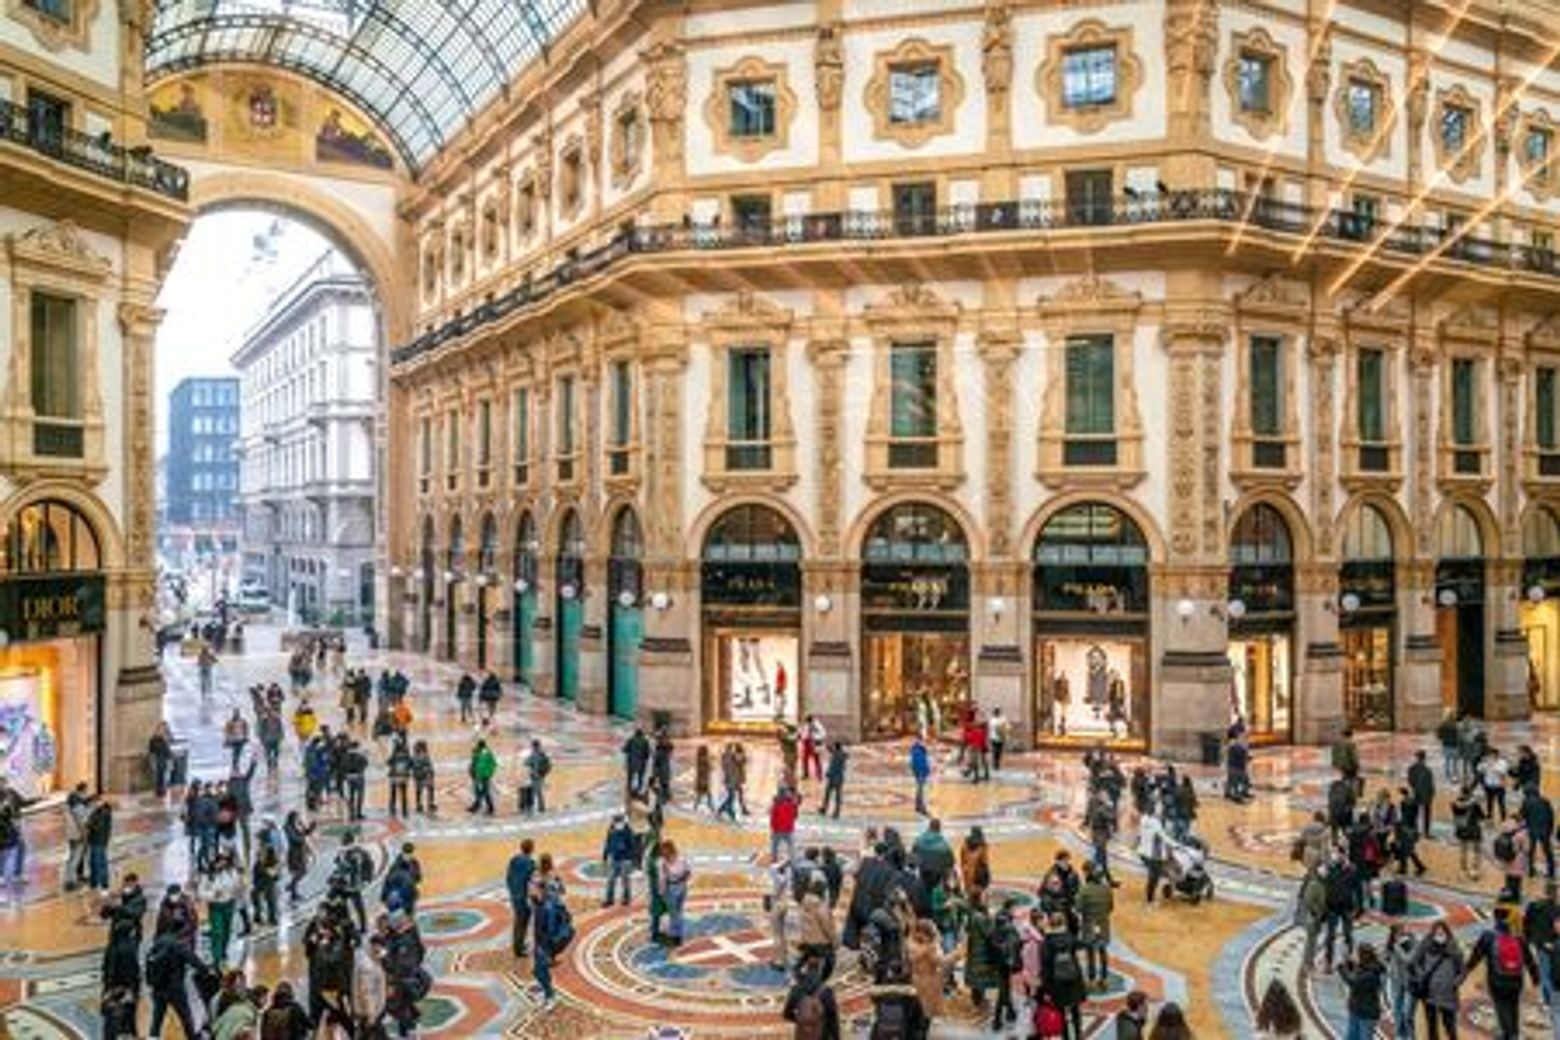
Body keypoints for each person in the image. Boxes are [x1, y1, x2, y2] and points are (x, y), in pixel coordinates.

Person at [1465, 908, 1539, 1040]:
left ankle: (1509, 1035)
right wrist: (1536, 979)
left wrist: (1464, 972)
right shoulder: (1518, 937)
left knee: (1501, 1008)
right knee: (1513, 1006)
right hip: (1516, 980)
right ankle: (1514, 1033)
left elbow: (1475, 957)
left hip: (1497, 980)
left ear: (1495, 918)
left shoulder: (1488, 936)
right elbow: (1530, 960)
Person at [144, 919, 210, 1040]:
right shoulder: (178, 945)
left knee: (157, 1019)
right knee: (185, 1016)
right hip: (175, 988)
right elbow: (194, 960)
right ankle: (192, 1038)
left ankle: (153, 1037)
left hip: (157, 987)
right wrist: (205, 971)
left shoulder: (158, 940)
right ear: (181, 929)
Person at [1408, 920, 1463, 1040]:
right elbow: (1414, 962)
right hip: (1430, 994)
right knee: (1432, 1026)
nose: (1440, 936)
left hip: (1448, 995)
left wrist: (1455, 983)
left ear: (1447, 933)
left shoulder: (1454, 947)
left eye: (1442, 933)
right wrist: (1422, 975)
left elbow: (1461, 970)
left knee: (1449, 1026)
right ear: (1432, 934)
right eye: (1437, 933)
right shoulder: (1425, 945)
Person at [782, 951, 841, 1040]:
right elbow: (834, 1021)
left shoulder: (795, 990)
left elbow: (786, 1015)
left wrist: (804, 1022)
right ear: (819, 969)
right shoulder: (826, 991)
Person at [1078, 861, 1114, 990]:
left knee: (1090, 953)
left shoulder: (1084, 890)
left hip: (1089, 926)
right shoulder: (1107, 888)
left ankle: (1092, 979)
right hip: (1103, 925)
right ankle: (1104, 979)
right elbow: (1111, 907)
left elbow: (1079, 908)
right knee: (1103, 951)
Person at [532, 878, 568, 1009]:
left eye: (533, 888)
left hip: (544, 945)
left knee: (539, 971)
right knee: (539, 971)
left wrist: (543, 948)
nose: (531, 890)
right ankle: (547, 992)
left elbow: (549, 930)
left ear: (540, 890)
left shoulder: (548, 907)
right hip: (540, 943)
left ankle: (550, 996)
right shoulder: (542, 903)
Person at [797, 875, 838, 981]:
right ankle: (822, 980)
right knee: (831, 959)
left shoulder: (804, 902)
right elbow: (827, 928)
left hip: (805, 939)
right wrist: (834, 941)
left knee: (807, 954)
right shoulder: (821, 906)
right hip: (820, 942)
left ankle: (798, 970)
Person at [506, 838, 537, 957]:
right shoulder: (531, 863)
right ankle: (518, 949)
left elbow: (508, 877)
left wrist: (512, 890)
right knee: (522, 923)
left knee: (518, 921)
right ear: (531, 849)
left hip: (514, 895)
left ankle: (519, 944)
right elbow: (532, 883)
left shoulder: (514, 859)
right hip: (524, 898)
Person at [657, 839, 691, 946]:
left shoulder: (664, 863)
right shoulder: (682, 858)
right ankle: (677, 935)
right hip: (682, 887)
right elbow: (688, 872)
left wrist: (661, 892)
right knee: (679, 912)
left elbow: (662, 879)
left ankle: (676, 937)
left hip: (671, 889)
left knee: (674, 914)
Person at [1452, 781, 1487, 880]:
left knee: (1463, 850)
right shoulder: (1474, 804)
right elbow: (1482, 817)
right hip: (1473, 828)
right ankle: (1474, 871)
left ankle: (1463, 870)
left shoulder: (1455, 803)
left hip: (1461, 828)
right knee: (1476, 850)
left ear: (1461, 792)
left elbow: (1455, 813)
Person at [602, 813, 637, 907]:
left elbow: (632, 845)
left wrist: (631, 859)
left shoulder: (627, 831)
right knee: (610, 880)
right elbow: (608, 843)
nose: (616, 823)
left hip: (625, 859)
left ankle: (626, 899)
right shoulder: (611, 829)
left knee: (625, 880)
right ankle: (609, 899)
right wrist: (605, 856)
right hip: (614, 858)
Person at [1136, 803, 1168, 905]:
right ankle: (1150, 900)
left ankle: (1150, 898)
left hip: (1144, 852)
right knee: (1154, 876)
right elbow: (1163, 837)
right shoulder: (1155, 823)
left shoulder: (1144, 819)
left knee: (1153, 875)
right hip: (1154, 854)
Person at [1525, 782, 1558, 881]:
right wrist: (1550, 830)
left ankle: (1530, 871)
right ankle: (1551, 872)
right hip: (1545, 830)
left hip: (1532, 830)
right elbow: (1551, 816)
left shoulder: (1527, 802)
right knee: (1548, 852)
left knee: (1531, 851)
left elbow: (1523, 816)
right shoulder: (1545, 801)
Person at [1408, 749, 1436, 838]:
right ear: (1424, 758)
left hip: (1416, 793)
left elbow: (1410, 781)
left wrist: (1414, 788)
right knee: (1426, 814)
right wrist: (1432, 794)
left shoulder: (1411, 768)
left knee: (1414, 813)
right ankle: (1426, 832)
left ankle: (1415, 830)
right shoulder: (1428, 770)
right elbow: (1430, 784)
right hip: (1426, 795)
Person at [770, 786, 800, 863]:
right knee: (791, 846)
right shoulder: (791, 804)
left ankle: (774, 859)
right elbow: (795, 816)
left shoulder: (776, 805)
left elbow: (773, 818)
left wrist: (773, 828)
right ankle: (793, 860)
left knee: (774, 846)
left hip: (777, 829)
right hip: (788, 829)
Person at [1481, 747, 1511, 821]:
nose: (1490, 757)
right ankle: (1489, 816)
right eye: (1489, 755)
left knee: (1501, 803)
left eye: (1492, 755)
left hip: (1499, 786)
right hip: (1489, 785)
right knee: (1489, 802)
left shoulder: (1502, 762)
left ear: (1496, 755)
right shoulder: (1486, 762)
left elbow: (1502, 772)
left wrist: (1492, 766)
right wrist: (1484, 764)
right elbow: (1479, 769)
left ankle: (1503, 818)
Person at [468, 738, 498, 815]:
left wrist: (489, 773)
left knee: (484, 792)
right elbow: (474, 763)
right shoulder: (479, 753)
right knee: (479, 791)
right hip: (478, 775)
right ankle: (479, 805)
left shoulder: (486, 754)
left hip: (482, 776)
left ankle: (487, 807)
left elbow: (492, 764)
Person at [820, 741, 847, 818]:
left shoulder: (836, 756)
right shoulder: (841, 754)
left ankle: (825, 809)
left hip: (833, 777)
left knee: (828, 795)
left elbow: (833, 767)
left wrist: (828, 774)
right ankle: (836, 812)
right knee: (837, 796)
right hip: (839, 778)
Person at [387, 739, 412, 819]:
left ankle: (392, 810)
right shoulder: (406, 756)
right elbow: (411, 764)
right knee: (403, 794)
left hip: (394, 777)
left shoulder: (393, 756)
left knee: (393, 794)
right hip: (403, 777)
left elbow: (388, 762)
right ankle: (404, 812)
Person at [622, 727, 651, 798]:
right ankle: (639, 790)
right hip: (641, 762)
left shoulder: (631, 740)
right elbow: (648, 752)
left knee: (630, 777)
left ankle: (629, 791)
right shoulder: (645, 741)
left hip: (631, 762)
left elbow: (624, 749)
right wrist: (645, 758)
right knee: (640, 777)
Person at [148, 723, 175, 797]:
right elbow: (152, 751)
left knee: (165, 776)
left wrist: (167, 736)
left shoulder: (166, 738)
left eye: (164, 729)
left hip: (165, 759)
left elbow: (170, 745)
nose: (162, 731)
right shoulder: (154, 739)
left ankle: (163, 791)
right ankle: (159, 792)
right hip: (158, 759)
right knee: (159, 776)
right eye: (161, 729)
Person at [412, 739, 437, 815]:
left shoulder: (416, 756)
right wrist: (431, 773)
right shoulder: (424, 756)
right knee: (429, 789)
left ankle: (420, 804)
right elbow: (429, 766)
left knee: (420, 791)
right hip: (424, 776)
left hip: (420, 776)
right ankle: (429, 804)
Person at [527, 739, 552, 815]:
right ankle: (537, 807)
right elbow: (526, 762)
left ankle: (540, 808)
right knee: (536, 792)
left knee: (537, 792)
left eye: (533, 746)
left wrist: (542, 773)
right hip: (533, 776)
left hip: (539, 776)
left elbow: (548, 766)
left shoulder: (542, 755)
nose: (533, 748)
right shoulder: (533, 754)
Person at [909, 735, 931, 815]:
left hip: (921, 771)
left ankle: (918, 805)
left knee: (920, 789)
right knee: (920, 790)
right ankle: (921, 806)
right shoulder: (917, 750)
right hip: (920, 772)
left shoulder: (920, 750)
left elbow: (922, 761)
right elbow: (918, 763)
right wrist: (922, 771)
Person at [801, 714, 826, 782]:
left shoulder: (817, 725)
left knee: (816, 759)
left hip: (813, 743)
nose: (807, 723)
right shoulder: (805, 725)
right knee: (805, 759)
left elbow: (823, 734)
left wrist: (814, 736)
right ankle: (806, 774)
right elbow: (803, 733)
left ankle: (819, 775)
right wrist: (802, 737)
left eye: (808, 721)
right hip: (806, 743)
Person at [692, 744, 714, 813]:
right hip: (703, 780)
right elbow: (706, 769)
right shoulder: (703, 759)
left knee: (702, 794)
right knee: (706, 794)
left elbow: (702, 769)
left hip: (701, 779)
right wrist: (710, 767)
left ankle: (696, 807)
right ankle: (710, 807)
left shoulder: (699, 759)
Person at [987, 707, 1010, 772]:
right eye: (995, 711)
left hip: (1000, 738)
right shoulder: (992, 720)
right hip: (993, 738)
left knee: (999, 751)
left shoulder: (1003, 719)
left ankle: (996, 762)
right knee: (995, 751)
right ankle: (995, 763)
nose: (996, 712)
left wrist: (1005, 732)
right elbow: (990, 729)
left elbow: (1007, 727)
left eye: (997, 711)